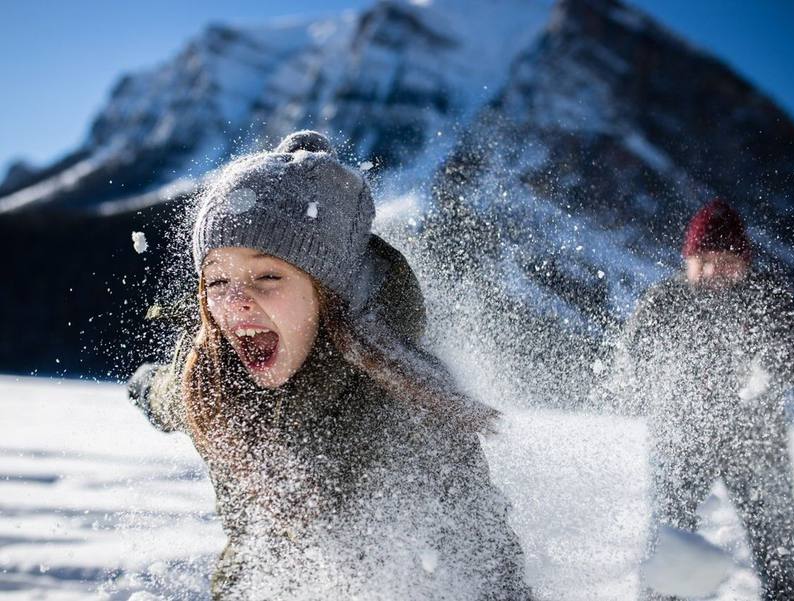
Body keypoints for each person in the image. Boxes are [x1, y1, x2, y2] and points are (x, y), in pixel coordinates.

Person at [127, 130, 533, 600]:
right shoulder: (212, 380)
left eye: (268, 276)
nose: (235, 302)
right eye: (217, 280)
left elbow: (491, 571)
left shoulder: (409, 403)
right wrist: (145, 387)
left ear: (328, 292)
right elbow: (168, 395)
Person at [607, 199, 794, 601]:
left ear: (744, 261)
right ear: (689, 259)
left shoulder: (769, 300)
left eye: (726, 259)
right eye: (704, 259)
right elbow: (628, 367)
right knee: (670, 549)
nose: (714, 270)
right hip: (680, 444)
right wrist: (652, 390)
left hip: (756, 446)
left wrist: (772, 362)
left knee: (781, 552)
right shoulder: (663, 302)